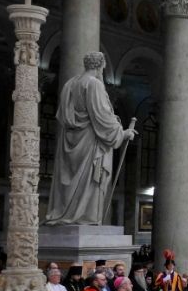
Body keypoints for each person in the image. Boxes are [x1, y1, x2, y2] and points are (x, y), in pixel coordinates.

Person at [44, 52, 136, 225]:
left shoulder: (70, 84)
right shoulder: (94, 84)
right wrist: (122, 134)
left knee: (73, 180)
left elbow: (63, 116)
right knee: (90, 181)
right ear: (100, 66)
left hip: (71, 142)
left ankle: (67, 213)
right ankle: (84, 216)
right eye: (103, 67)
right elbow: (102, 117)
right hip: (91, 142)